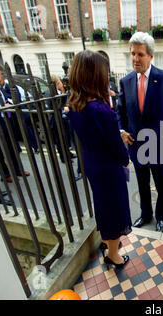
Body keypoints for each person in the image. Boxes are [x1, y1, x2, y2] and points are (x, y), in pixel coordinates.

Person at [67, 50, 131, 269]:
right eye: (104, 72)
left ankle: (108, 244)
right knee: (115, 210)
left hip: (92, 163)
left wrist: (114, 134)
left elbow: (92, 136)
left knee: (103, 206)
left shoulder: (75, 105)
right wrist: (125, 156)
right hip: (108, 168)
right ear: (95, 75)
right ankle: (113, 255)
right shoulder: (100, 109)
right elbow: (116, 149)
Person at [116, 32, 163, 232]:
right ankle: (146, 214)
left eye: (140, 54)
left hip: (159, 145)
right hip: (136, 145)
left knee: (162, 185)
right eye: (133, 54)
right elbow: (120, 111)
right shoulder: (126, 81)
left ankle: (161, 216)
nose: (135, 59)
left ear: (151, 56)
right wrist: (121, 130)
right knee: (142, 184)